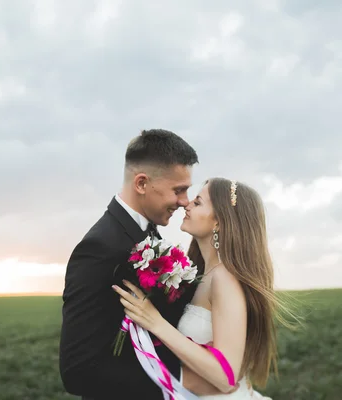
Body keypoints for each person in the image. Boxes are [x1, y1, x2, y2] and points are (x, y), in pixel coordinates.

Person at [60, 129, 225, 400]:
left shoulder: (146, 233)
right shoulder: (98, 248)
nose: (184, 202)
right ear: (141, 183)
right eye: (178, 190)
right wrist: (183, 381)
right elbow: (77, 371)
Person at [113, 177, 279, 399]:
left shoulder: (225, 278)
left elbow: (225, 376)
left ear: (219, 222)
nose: (187, 204)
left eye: (198, 202)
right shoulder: (203, 272)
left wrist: (156, 323)